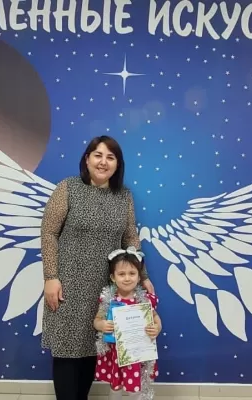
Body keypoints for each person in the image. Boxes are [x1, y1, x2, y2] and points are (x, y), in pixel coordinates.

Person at [40, 135, 155, 400]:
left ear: (117, 164)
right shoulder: (68, 188)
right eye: (98, 155)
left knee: (93, 348)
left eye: (110, 157)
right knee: (67, 350)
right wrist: (51, 277)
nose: (103, 162)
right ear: (87, 159)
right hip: (67, 285)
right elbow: (49, 233)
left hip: (105, 289)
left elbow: (130, 238)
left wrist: (143, 276)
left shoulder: (124, 196)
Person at [93, 247, 162, 400]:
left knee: (135, 388)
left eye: (132, 273)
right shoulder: (108, 299)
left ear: (139, 277)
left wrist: (157, 327)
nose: (127, 278)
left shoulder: (144, 299)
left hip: (137, 353)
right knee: (115, 387)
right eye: (121, 274)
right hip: (115, 354)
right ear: (113, 277)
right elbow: (97, 320)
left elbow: (156, 318)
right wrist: (102, 325)